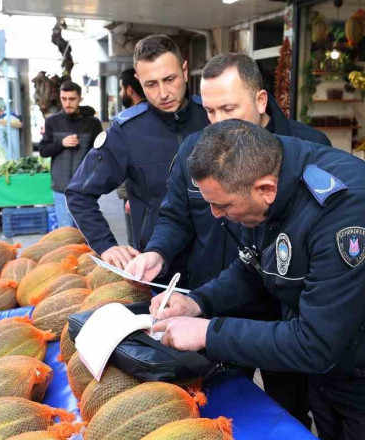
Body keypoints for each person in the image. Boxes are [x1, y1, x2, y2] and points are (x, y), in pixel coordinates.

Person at [150, 120, 365, 440]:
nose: (214, 214)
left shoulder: (349, 212)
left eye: (222, 205)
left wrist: (208, 333)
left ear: (266, 189)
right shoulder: (266, 174)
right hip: (335, 368)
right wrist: (198, 301)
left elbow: (316, 343)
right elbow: (253, 268)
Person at [124, 52, 330, 427]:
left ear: (261, 100)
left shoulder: (307, 148)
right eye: (211, 111)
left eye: (229, 109)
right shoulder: (196, 152)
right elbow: (176, 216)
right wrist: (158, 251)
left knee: (286, 412)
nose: (217, 123)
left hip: (280, 318)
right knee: (216, 408)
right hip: (213, 304)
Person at [65, 35, 209, 275]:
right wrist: (106, 245)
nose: (163, 93)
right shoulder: (127, 131)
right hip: (158, 269)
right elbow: (79, 193)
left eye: (170, 79)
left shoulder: (212, 116)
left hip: (221, 265)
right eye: (151, 84)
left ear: (184, 71)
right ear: (139, 82)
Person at [39, 81, 103, 228]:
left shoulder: (92, 123)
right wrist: (61, 143)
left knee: (87, 233)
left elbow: (101, 154)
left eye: (72, 99)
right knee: (66, 233)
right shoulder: (52, 121)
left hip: (85, 188)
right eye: (64, 99)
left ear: (80, 99)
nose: (67, 103)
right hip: (61, 188)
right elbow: (43, 151)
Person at [115, 68, 146, 247]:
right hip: (138, 196)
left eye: (121, 88)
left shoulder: (129, 121)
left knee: (137, 244)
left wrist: (129, 197)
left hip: (137, 197)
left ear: (128, 90)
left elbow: (131, 162)